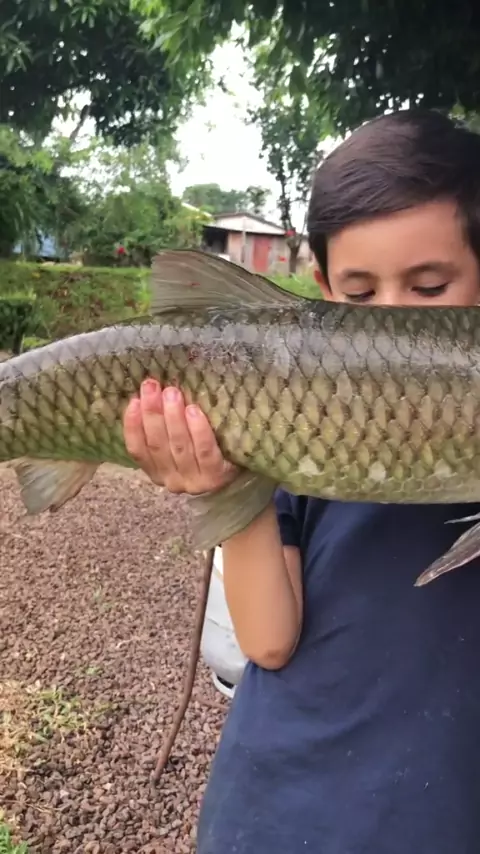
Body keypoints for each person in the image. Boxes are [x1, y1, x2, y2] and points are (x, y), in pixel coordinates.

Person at [123, 109, 480, 854]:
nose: (390, 325)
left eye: (428, 286)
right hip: (280, 815)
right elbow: (268, 642)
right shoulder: (289, 412)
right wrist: (223, 483)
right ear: (320, 288)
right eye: (360, 296)